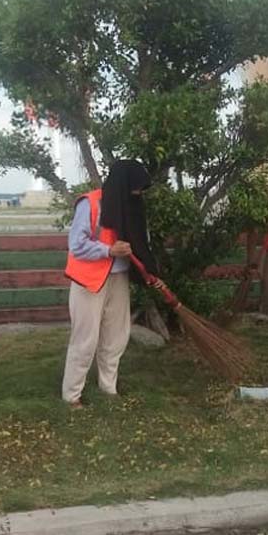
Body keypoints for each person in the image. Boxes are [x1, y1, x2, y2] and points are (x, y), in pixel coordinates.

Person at [61, 160, 162, 406]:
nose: (138, 194)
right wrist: (109, 250)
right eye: (136, 188)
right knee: (85, 340)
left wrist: (152, 273)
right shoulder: (91, 203)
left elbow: (140, 244)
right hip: (89, 282)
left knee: (116, 337)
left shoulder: (133, 208)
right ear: (124, 184)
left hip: (119, 278)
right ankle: (71, 395)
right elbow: (76, 245)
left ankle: (108, 388)